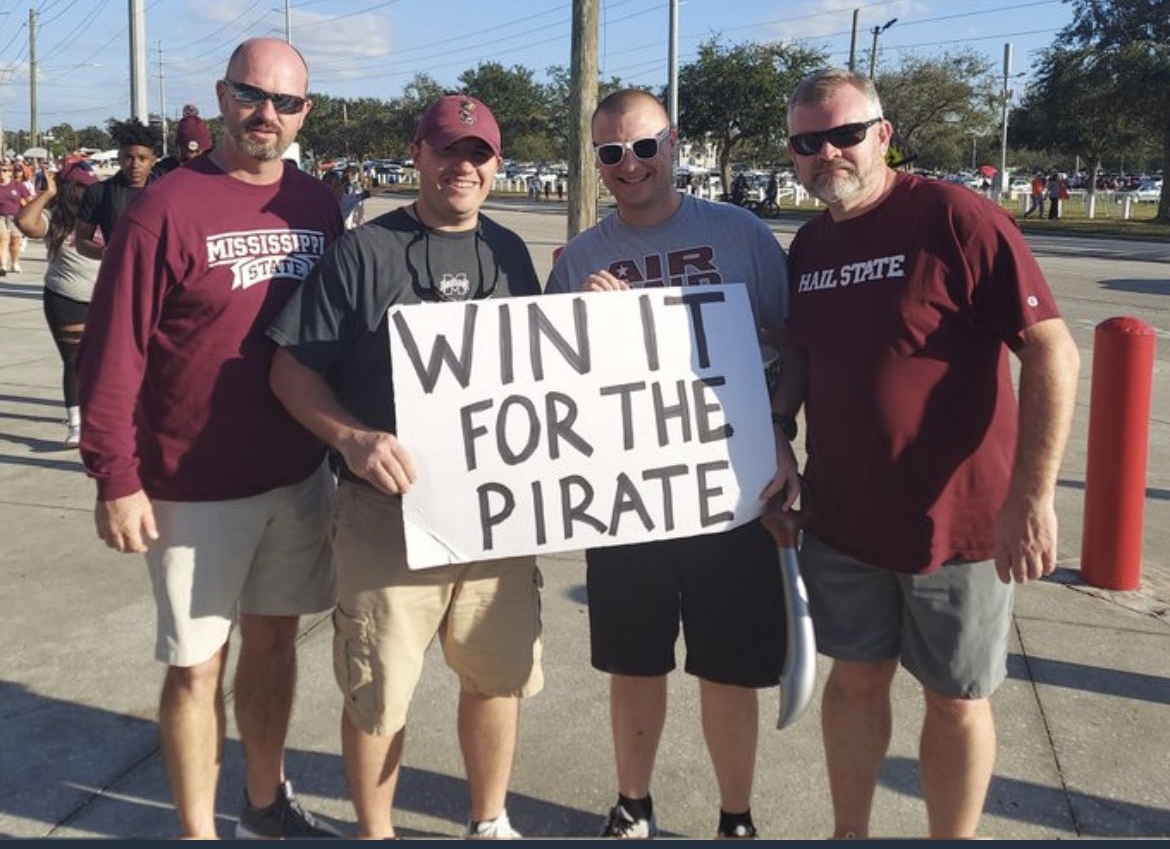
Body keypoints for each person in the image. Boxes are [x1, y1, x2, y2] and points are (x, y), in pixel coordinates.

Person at [775, 68, 1080, 839]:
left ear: (882, 135)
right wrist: (778, 437)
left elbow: (1051, 353)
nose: (827, 154)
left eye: (844, 134)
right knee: (855, 681)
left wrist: (1032, 495)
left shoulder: (955, 218)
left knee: (955, 697)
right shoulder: (809, 245)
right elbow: (805, 361)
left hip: (961, 525)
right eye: (808, 142)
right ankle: (850, 834)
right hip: (843, 516)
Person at [75, 38, 344, 840]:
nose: (267, 115)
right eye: (251, 95)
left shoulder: (318, 204)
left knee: (274, 645)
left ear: (305, 111)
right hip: (191, 482)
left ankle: (266, 801)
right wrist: (114, 475)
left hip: (296, 476)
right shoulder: (167, 205)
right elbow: (112, 348)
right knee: (197, 667)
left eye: (285, 102)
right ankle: (198, 832)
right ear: (223, 97)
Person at [268, 94, 544, 841]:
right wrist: (352, 438)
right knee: (379, 694)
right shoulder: (365, 252)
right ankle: (377, 834)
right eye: (447, 150)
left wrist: (600, 313)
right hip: (385, 515)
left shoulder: (511, 253)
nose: (463, 167)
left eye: (478, 154)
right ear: (417, 154)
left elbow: (542, 372)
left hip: (495, 517)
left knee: (497, 677)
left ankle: (489, 820)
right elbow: (291, 371)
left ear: (495, 165)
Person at [544, 88, 798, 841]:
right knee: (635, 659)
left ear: (675, 144)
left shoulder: (739, 232)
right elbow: (559, 383)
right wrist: (583, 324)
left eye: (645, 147)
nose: (631, 165)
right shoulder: (583, 256)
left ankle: (736, 816)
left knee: (728, 667)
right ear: (597, 162)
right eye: (612, 153)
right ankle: (634, 803)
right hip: (631, 494)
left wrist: (782, 435)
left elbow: (791, 347)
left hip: (732, 486)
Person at [15, 158, 102, 445]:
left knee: (109, 359)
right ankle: (77, 423)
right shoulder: (55, 220)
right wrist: (47, 193)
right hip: (66, 298)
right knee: (74, 361)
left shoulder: (106, 214)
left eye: (87, 188)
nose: (81, 194)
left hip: (107, 298)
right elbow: (25, 222)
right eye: (75, 188)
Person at [75, 120, 159, 259]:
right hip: (119, 273)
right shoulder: (99, 193)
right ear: (119, 158)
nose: (135, 165)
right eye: (129, 158)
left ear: (153, 160)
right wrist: (106, 253)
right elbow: (81, 241)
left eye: (142, 158)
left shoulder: (167, 194)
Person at [155, 105, 214, 176]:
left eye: (204, 153)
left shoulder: (216, 171)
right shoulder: (164, 171)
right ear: (181, 150)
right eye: (192, 152)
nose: (198, 157)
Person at [0, 159, 26, 277]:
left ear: (10, 172)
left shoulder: (18, 186)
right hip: (1, 216)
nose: (2, 173)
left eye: (5, 170)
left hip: (15, 216)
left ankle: (15, 263)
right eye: (0, 170)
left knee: (15, 241)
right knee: (3, 239)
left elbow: (28, 200)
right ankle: (3, 266)